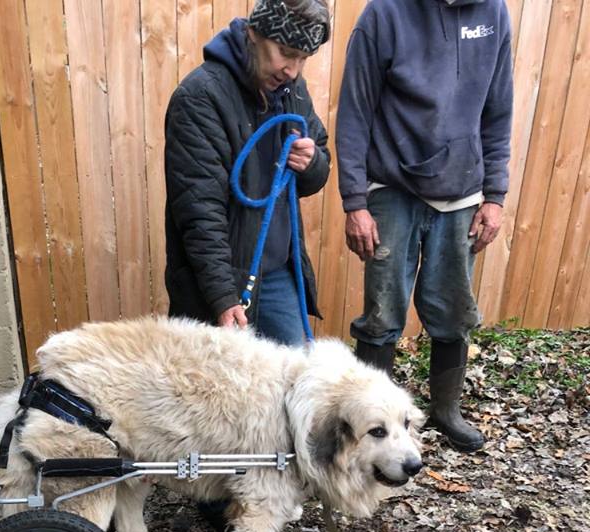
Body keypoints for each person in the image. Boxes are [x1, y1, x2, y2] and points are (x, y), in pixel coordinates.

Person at [336, 0, 513, 452]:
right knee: (382, 315)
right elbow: (355, 112)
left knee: (453, 311)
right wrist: (355, 201)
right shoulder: (384, 14)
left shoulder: (493, 13)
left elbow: (498, 110)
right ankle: (373, 420)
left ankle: (445, 410)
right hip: (392, 188)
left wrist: (494, 195)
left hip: (463, 192)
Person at [164, 0, 331, 347]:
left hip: (279, 274)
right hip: (217, 284)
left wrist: (311, 163)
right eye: (285, 52)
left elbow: (318, 168)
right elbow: (199, 211)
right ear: (254, 33)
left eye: (303, 58)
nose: (293, 70)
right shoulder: (200, 97)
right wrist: (223, 299)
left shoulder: (292, 92)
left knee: (291, 384)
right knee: (214, 393)